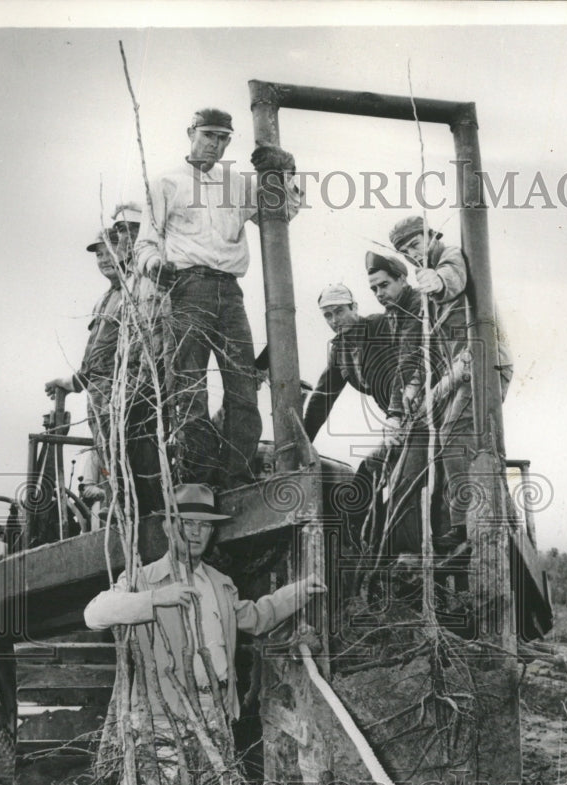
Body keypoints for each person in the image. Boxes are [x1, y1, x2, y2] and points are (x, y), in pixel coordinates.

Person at [134, 108, 301, 489]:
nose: (216, 144)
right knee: (189, 389)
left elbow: (284, 212)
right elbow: (145, 243)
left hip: (230, 291)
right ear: (190, 132)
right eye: (209, 135)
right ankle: (199, 482)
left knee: (243, 387)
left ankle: (236, 480)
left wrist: (285, 172)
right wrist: (154, 265)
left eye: (224, 138)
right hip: (188, 288)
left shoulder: (237, 183)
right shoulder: (165, 183)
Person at [83, 483, 326, 728]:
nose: (196, 532)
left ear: (212, 532)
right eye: (187, 523)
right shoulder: (143, 579)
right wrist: (154, 599)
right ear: (168, 527)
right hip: (163, 716)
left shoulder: (220, 583)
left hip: (216, 711)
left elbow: (257, 617)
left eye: (205, 524)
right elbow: (93, 615)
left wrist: (300, 591)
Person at [389, 216, 513, 551]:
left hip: (485, 363)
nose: (413, 254)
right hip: (462, 370)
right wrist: (414, 387)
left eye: (415, 245)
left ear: (431, 236)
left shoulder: (450, 256)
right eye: (405, 252)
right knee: (446, 440)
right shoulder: (427, 298)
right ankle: (463, 523)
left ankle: (464, 526)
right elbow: (431, 351)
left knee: (454, 433)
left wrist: (436, 280)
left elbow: (452, 278)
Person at [304, 260, 428, 555]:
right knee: (363, 483)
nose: (335, 320)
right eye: (328, 315)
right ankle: (369, 552)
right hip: (396, 426)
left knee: (394, 482)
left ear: (354, 306)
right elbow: (322, 398)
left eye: (339, 311)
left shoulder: (381, 326)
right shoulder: (341, 351)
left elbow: (407, 362)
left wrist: (397, 414)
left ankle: (395, 554)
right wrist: (302, 442)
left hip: (418, 415)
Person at [44, 228, 164, 514]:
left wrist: (127, 390)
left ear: (129, 249)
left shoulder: (139, 291)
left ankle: (147, 520)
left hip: (126, 394)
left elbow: (144, 347)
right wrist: (71, 382)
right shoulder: (105, 299)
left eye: (110, 250)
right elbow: (97, 356)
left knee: (136, 464)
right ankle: (125, 511)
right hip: (100, 397)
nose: (103, 259)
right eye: (98, 254)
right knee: (113, 463)